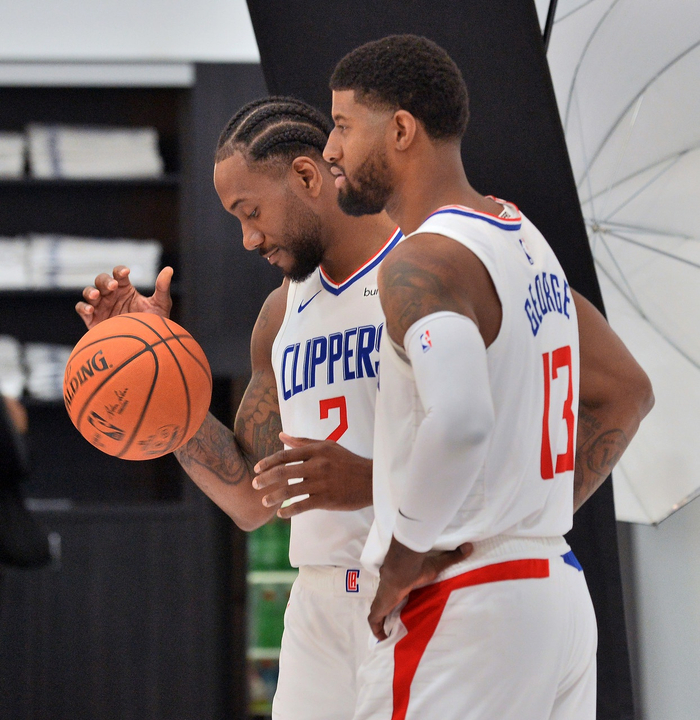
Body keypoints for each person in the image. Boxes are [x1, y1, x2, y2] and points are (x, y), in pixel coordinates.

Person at [75, 96, 469, 720]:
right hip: (318, 602)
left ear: (308, 176)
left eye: (250, 211)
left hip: (419, 585)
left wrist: (372, 482)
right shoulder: (281, 313)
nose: (248, 238)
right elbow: (250, 499)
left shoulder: (424, 270)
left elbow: (481, 438)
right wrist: (157, 377)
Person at [322, 35, 654, 720]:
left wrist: (405, 554)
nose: (331, 149)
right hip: (553, 590)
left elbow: (463, 419)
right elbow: (628, 390)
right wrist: (527, 514)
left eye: (344, 126)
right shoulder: (523, 238)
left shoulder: (422, 261)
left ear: (402, 130)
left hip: (464, 604)